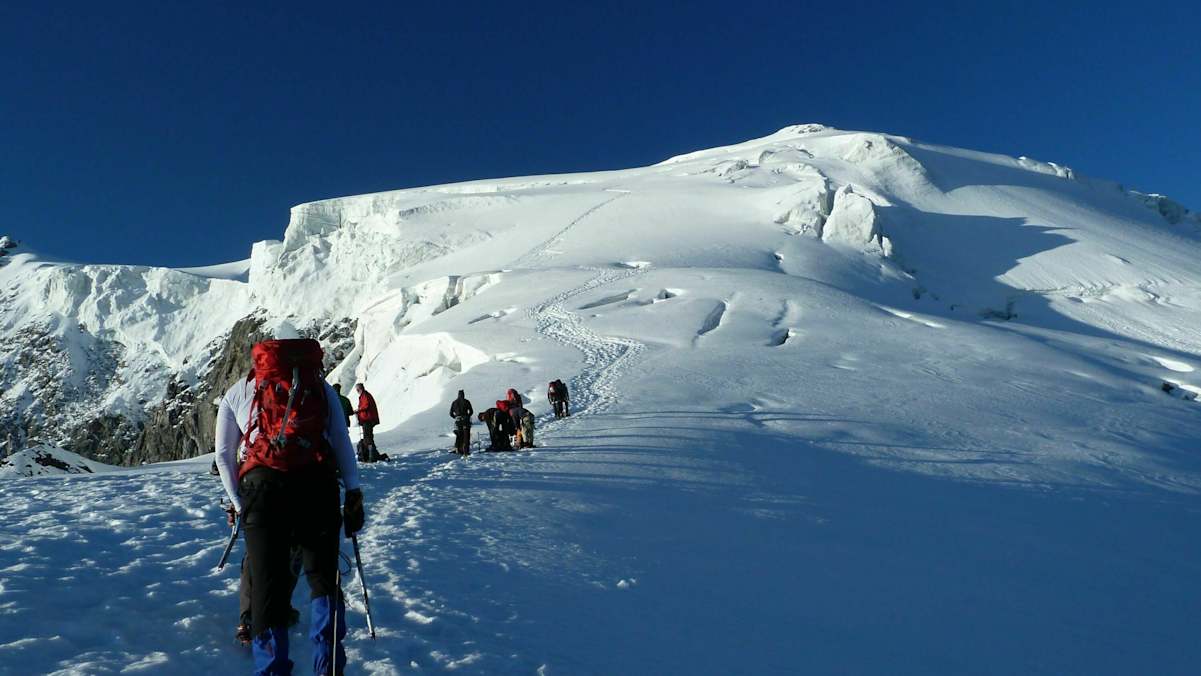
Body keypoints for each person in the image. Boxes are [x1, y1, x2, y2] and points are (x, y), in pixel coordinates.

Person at [214, 322, 364, 676]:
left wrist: (239, 503)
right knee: (324, 581)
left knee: (268, 588)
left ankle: (272, 669)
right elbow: (341, 440)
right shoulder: (319, 387)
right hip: (317, 486)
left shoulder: (239, 390)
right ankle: (327, 668)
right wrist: (354, 492)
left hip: (262, 492)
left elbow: (223, 454)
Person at [354, 383, 380, 452]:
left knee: (367, 436)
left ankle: (371, 453)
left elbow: (366, 405)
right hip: (367, 419)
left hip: (367, 419)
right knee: (368, 436)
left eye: (357, 389)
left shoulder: (364, 395)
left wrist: (358, 410)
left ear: (359, 389)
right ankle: (372, 452)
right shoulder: (365, 395)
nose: (357, 391)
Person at [449, 390, 473, 455]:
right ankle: (466, 451)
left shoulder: (454, 402)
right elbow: (471, 411)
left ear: (458, 395)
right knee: (466, 436)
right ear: (463, 394)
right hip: (466, 421)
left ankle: (458, 449)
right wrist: (468, 416)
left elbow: (451, 413)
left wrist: (456, 417)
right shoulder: (467, 401)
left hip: (458, 421)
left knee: (459, 435)